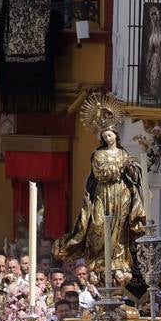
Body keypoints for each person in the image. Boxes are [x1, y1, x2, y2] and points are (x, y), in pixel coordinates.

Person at [52, 115, 146, 285]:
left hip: (121, 193)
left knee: (119, 227)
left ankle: (117, 261)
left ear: (116, 135)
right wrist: (120, 167)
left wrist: (132, 168)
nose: (107, 138)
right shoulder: (98, 154)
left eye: (110, 135)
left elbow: (133, 175)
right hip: (103, 193)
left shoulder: (125, 153)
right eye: (104, 136)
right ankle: (97, 259)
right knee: (98, 225)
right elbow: (100, 173)